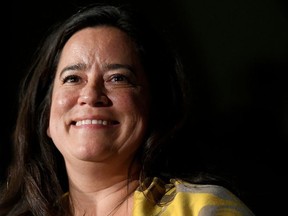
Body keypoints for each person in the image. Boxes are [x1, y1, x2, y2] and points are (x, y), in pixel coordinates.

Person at [0, 3, 255, 216]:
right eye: (72, 78)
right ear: (46, 117)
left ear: (155, 104)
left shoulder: (202, 210)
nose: (90, 95)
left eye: (118, 78)